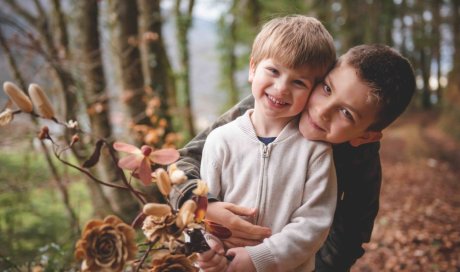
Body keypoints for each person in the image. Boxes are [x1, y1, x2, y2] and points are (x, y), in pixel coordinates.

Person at [172, 41, 416, 272]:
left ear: (366, 136)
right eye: (327, 88)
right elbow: (182, 162)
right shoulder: (272, 105)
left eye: (346, 113)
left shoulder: (361, 157)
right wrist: (205, 207)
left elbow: (351, 233)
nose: (322, 111)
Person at [195, 15, 338, 272]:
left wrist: (260, 258)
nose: (281, 88)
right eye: (273, 71)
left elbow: (314, 223)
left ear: (313, 91)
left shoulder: (315, 150)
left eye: (298, 82)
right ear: (252, 68)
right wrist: (208, 249)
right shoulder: (220, 141)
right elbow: (200, 210)